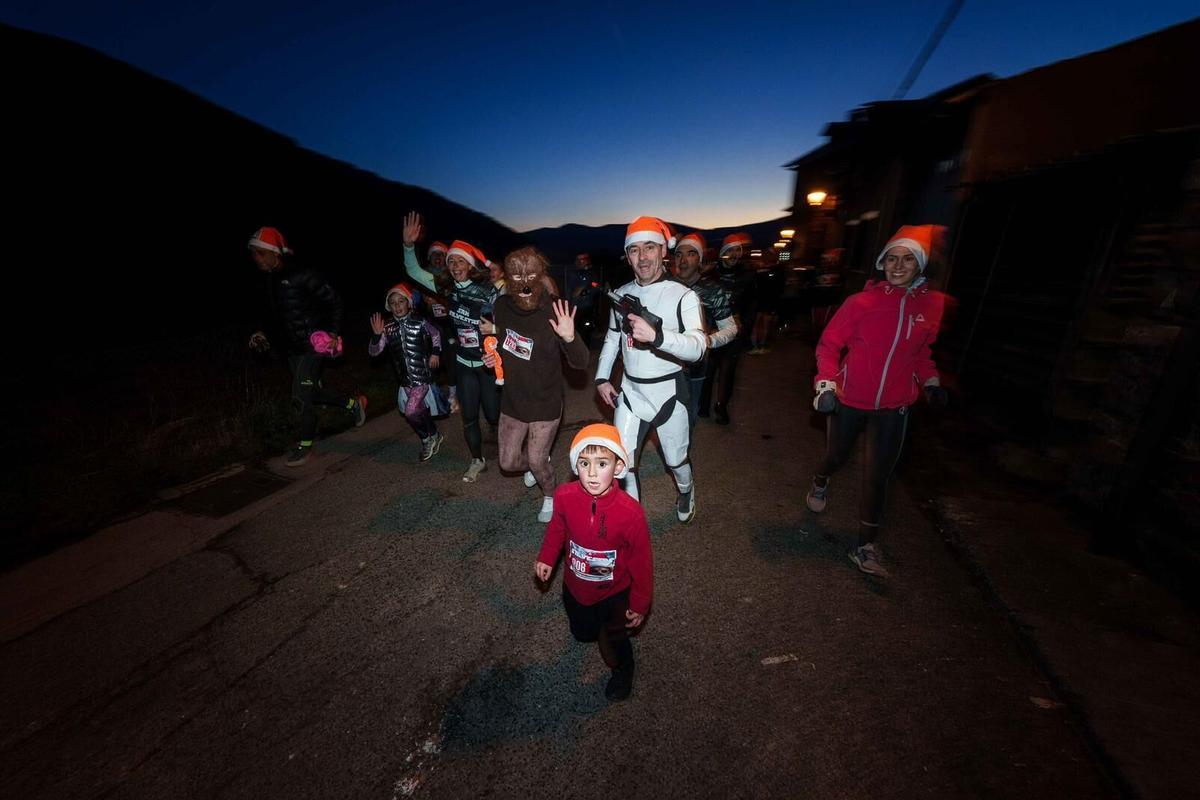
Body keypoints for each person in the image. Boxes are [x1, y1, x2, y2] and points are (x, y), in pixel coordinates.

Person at [806, 225, 948, 578]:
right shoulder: (861, 302)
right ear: (882, 263)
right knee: (837, 454)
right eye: (892, 259)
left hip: (895, 405)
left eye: (908, 259)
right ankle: (821, 478)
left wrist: (931, 383)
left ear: (920, 265)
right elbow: (828, 346)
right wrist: (826, 386)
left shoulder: (933, 304)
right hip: (851, 397)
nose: (898, 266)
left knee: (878, 475)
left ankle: (865, 545)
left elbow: (921, 354)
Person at [595, 216, 707, 522]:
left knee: (676, 460)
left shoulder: (683, 295)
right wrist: (602, 378)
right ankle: (632, 523)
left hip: (668, 392)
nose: (642, 257)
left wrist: (658, 337)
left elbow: (698, 347)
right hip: (631, 391)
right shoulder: (620, 294)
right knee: (624, 463)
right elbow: (613, 338)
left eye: (650, 247)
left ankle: (686, 490)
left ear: (663, 251)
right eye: (634, 250)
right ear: (627, 256)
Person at [535, 424, 652, 702]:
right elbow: (557, 529)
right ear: (576, 465)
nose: (591, 473)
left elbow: (642, 561)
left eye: (602, 464)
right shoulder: (564, 496)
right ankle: (589, 627)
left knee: (614, 639)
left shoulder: (631, 513)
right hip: (575, 586)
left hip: (615, 593)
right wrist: (547, 556)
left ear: (619, 466)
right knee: (582, 629)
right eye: (584, 463)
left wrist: (640, 602)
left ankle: (623, 670)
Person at [480, 247, 589, 522]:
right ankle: (537, 464)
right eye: (517, 277)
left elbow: (581, 362)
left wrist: (569, 336)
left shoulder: (554, 309)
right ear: (508, 279)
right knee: (506, 462)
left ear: (541, 277)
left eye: (531, 275)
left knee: (538, 460)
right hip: (513, 400)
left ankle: (551, 494)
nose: (525, 283)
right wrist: (494, 359)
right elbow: (507, 344)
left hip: (545, 402)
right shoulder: (502, 308)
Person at [246, 226, 366, 467]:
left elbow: (334, 301)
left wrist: (332, 332)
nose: (256, 259)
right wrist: (262, 332)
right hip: (291, 348)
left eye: (260, 253)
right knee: (311, 393)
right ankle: (354, 405)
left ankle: (306, 446)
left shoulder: (302, 274)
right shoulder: (267, 280)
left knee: (300, 396)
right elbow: (273, 315)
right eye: (254, 254)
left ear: (275, 253)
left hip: (313, 344)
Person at [402, 212, 500, 482]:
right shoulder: (447, 288)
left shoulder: (490, 292)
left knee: (493, 415)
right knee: (468, 416)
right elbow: (412, 271)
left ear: (470, 265)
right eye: (451, 261)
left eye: (460, 261)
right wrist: (409, 247)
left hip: (488, 364)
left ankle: (508, 441)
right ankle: (476, 460)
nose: (455, 265)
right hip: (464, 364)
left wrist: (496, 329)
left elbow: (514, 324)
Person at [369, 283, 445, 462]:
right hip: (405, 380)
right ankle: (435, 435)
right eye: (393, 303)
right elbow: (374, 352)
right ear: (389, 306)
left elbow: (436, 334)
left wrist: (435, 353)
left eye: (401, 301)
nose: (397, 305)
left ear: (408, 303)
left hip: (422, 377)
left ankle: (426, 439)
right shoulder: (387, 328)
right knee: (418, 409)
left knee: (411, 411)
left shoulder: (420, 321)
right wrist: (376, 336)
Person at [672, 232, 738, 425]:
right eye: (678, 254)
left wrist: (707, 341)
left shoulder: (713, 290)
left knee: (689, 415)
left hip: (695, 366)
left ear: (699, 259)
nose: (683, 260)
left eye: (691, 254)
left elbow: (731, 328)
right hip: (666, 364)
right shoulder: (667, 286)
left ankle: (684, 454)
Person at [699, 232, 756, 424]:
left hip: (735, 331)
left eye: (737, 251)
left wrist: (745, 329)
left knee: (728, 371)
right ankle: (703, 406)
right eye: (729, 251)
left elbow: (751, 306)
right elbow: (702, 301)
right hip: (713, 329)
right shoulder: (711, 274)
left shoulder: (747, 275)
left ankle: (722, 407)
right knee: (709, 369)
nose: (733, 255)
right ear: (723, 252)